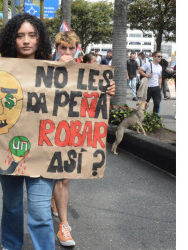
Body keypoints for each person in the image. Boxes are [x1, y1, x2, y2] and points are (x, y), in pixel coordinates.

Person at [0, 13, 55, 250]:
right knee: (12, 205)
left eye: (32, 35)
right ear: (12, 39)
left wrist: (104, 91)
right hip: (7, 149)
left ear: (40, 39)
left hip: (43, 151)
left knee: (40, 211)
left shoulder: (54, 71)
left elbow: (76, 102)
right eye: (20, 36)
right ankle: (11, 245)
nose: (26, 41)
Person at [52, 30, 115, 247]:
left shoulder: (88, 73)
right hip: (45, 130)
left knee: (64, 177)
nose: (67, 52)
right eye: (63, 48)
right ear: (57, 49)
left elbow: (94, 98)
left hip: (69, 131)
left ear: (77, 49)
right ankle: (52, 204)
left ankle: (64, 225)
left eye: (71, 48)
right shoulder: (43, 69)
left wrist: (108, 91)